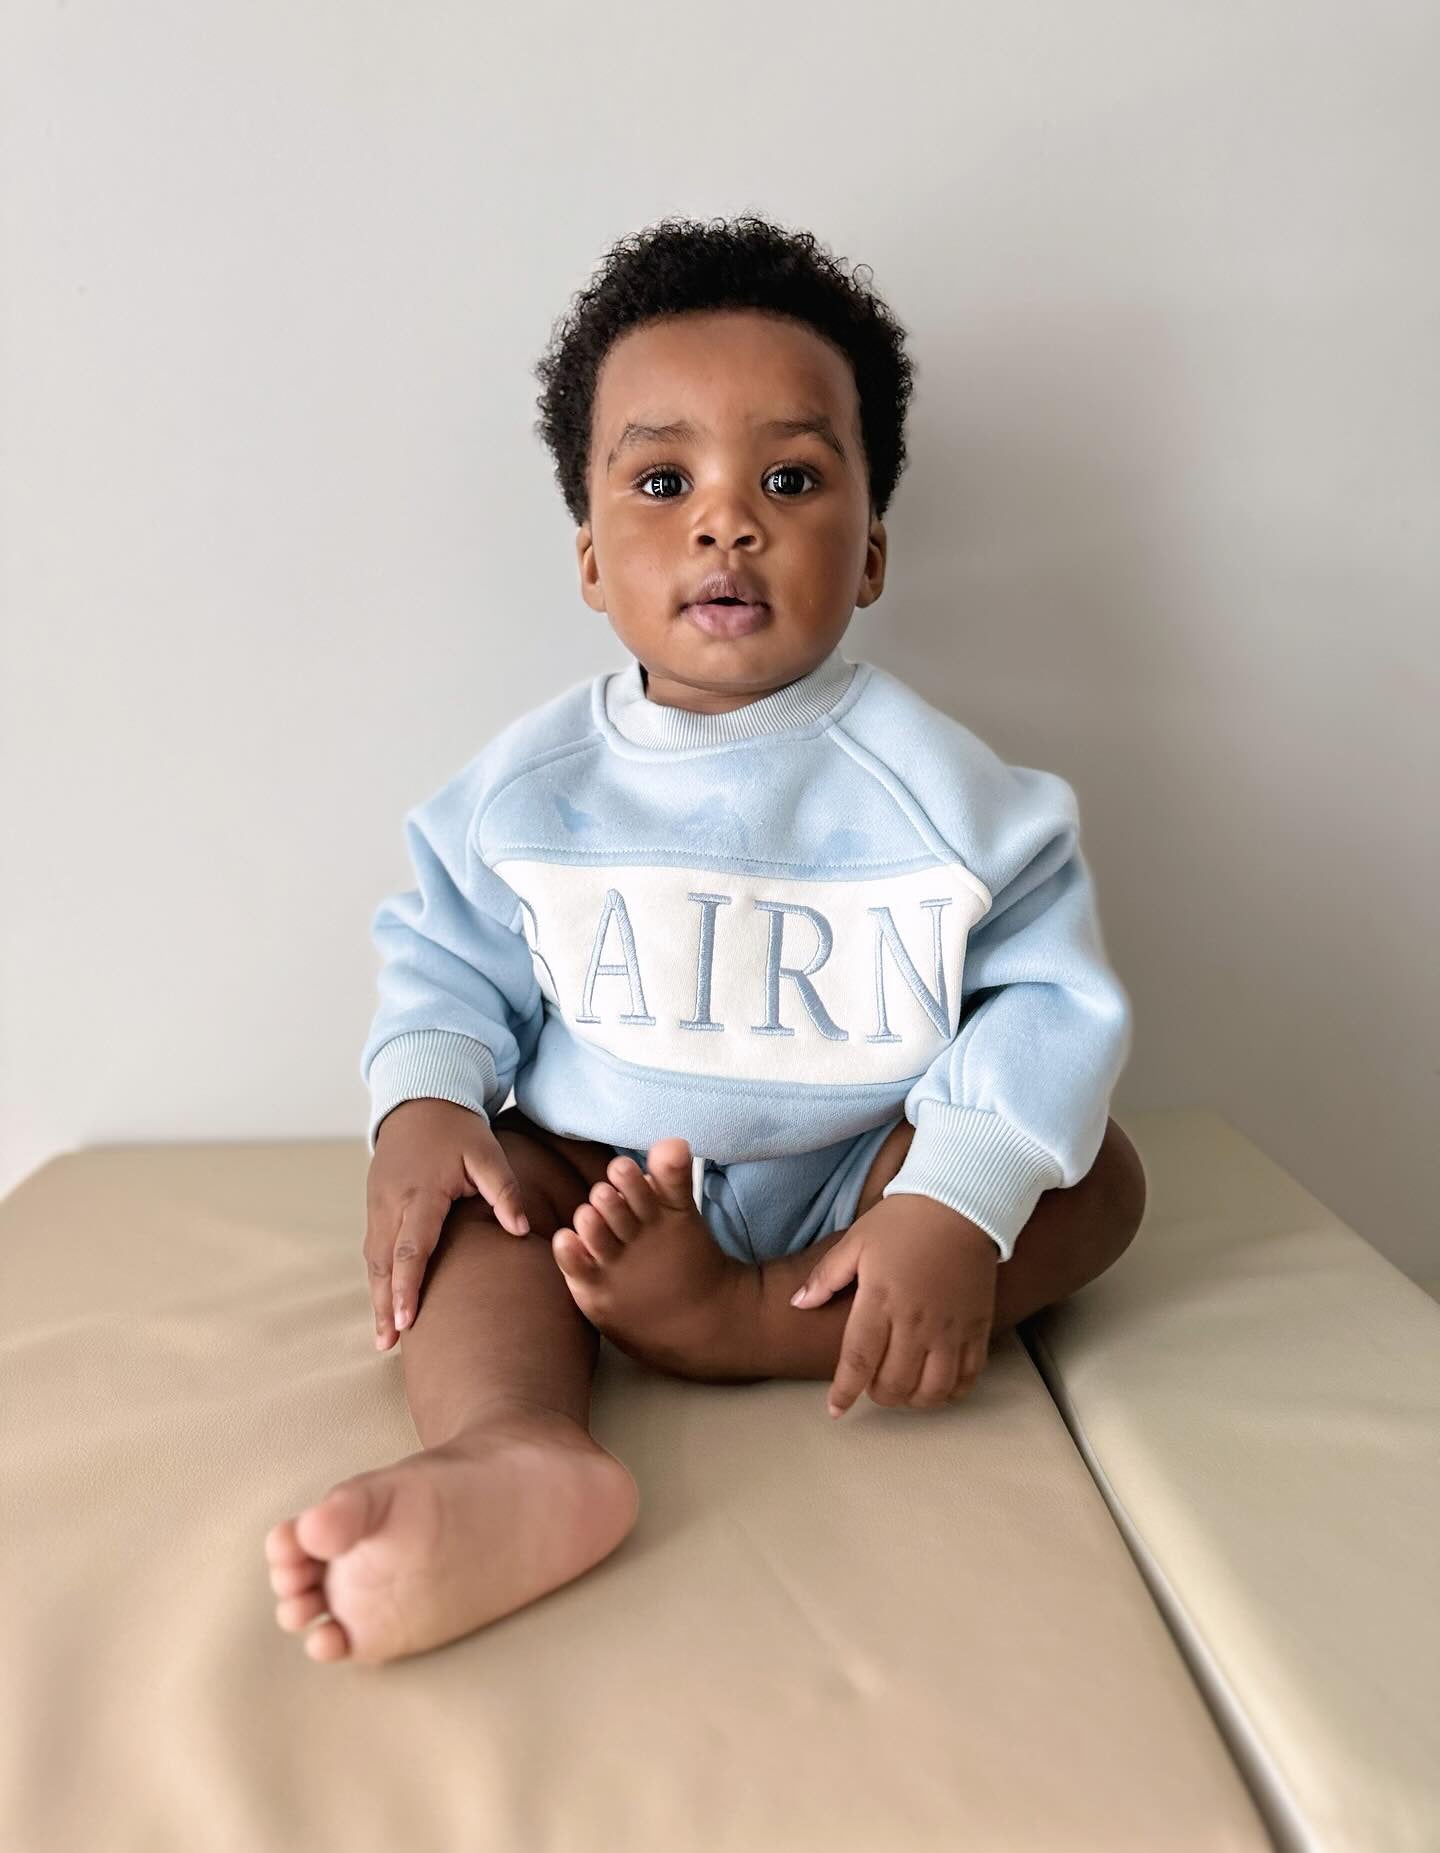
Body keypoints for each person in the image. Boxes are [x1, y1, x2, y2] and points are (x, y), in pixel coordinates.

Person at [264, 214, 1147, 1666]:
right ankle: (515, 1447)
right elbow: (447, 963)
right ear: (590, 558)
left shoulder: (950, 794)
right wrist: (422, 1101)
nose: (726, 523)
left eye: (788, 480)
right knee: (486, 1196)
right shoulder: (529, 791)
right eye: (664, 480)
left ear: (870, 552)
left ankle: (744, 1325)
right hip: (600, 1189)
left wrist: (951, 1197)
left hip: (858, 1189)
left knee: (1096, 1183)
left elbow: (1048, 1001)